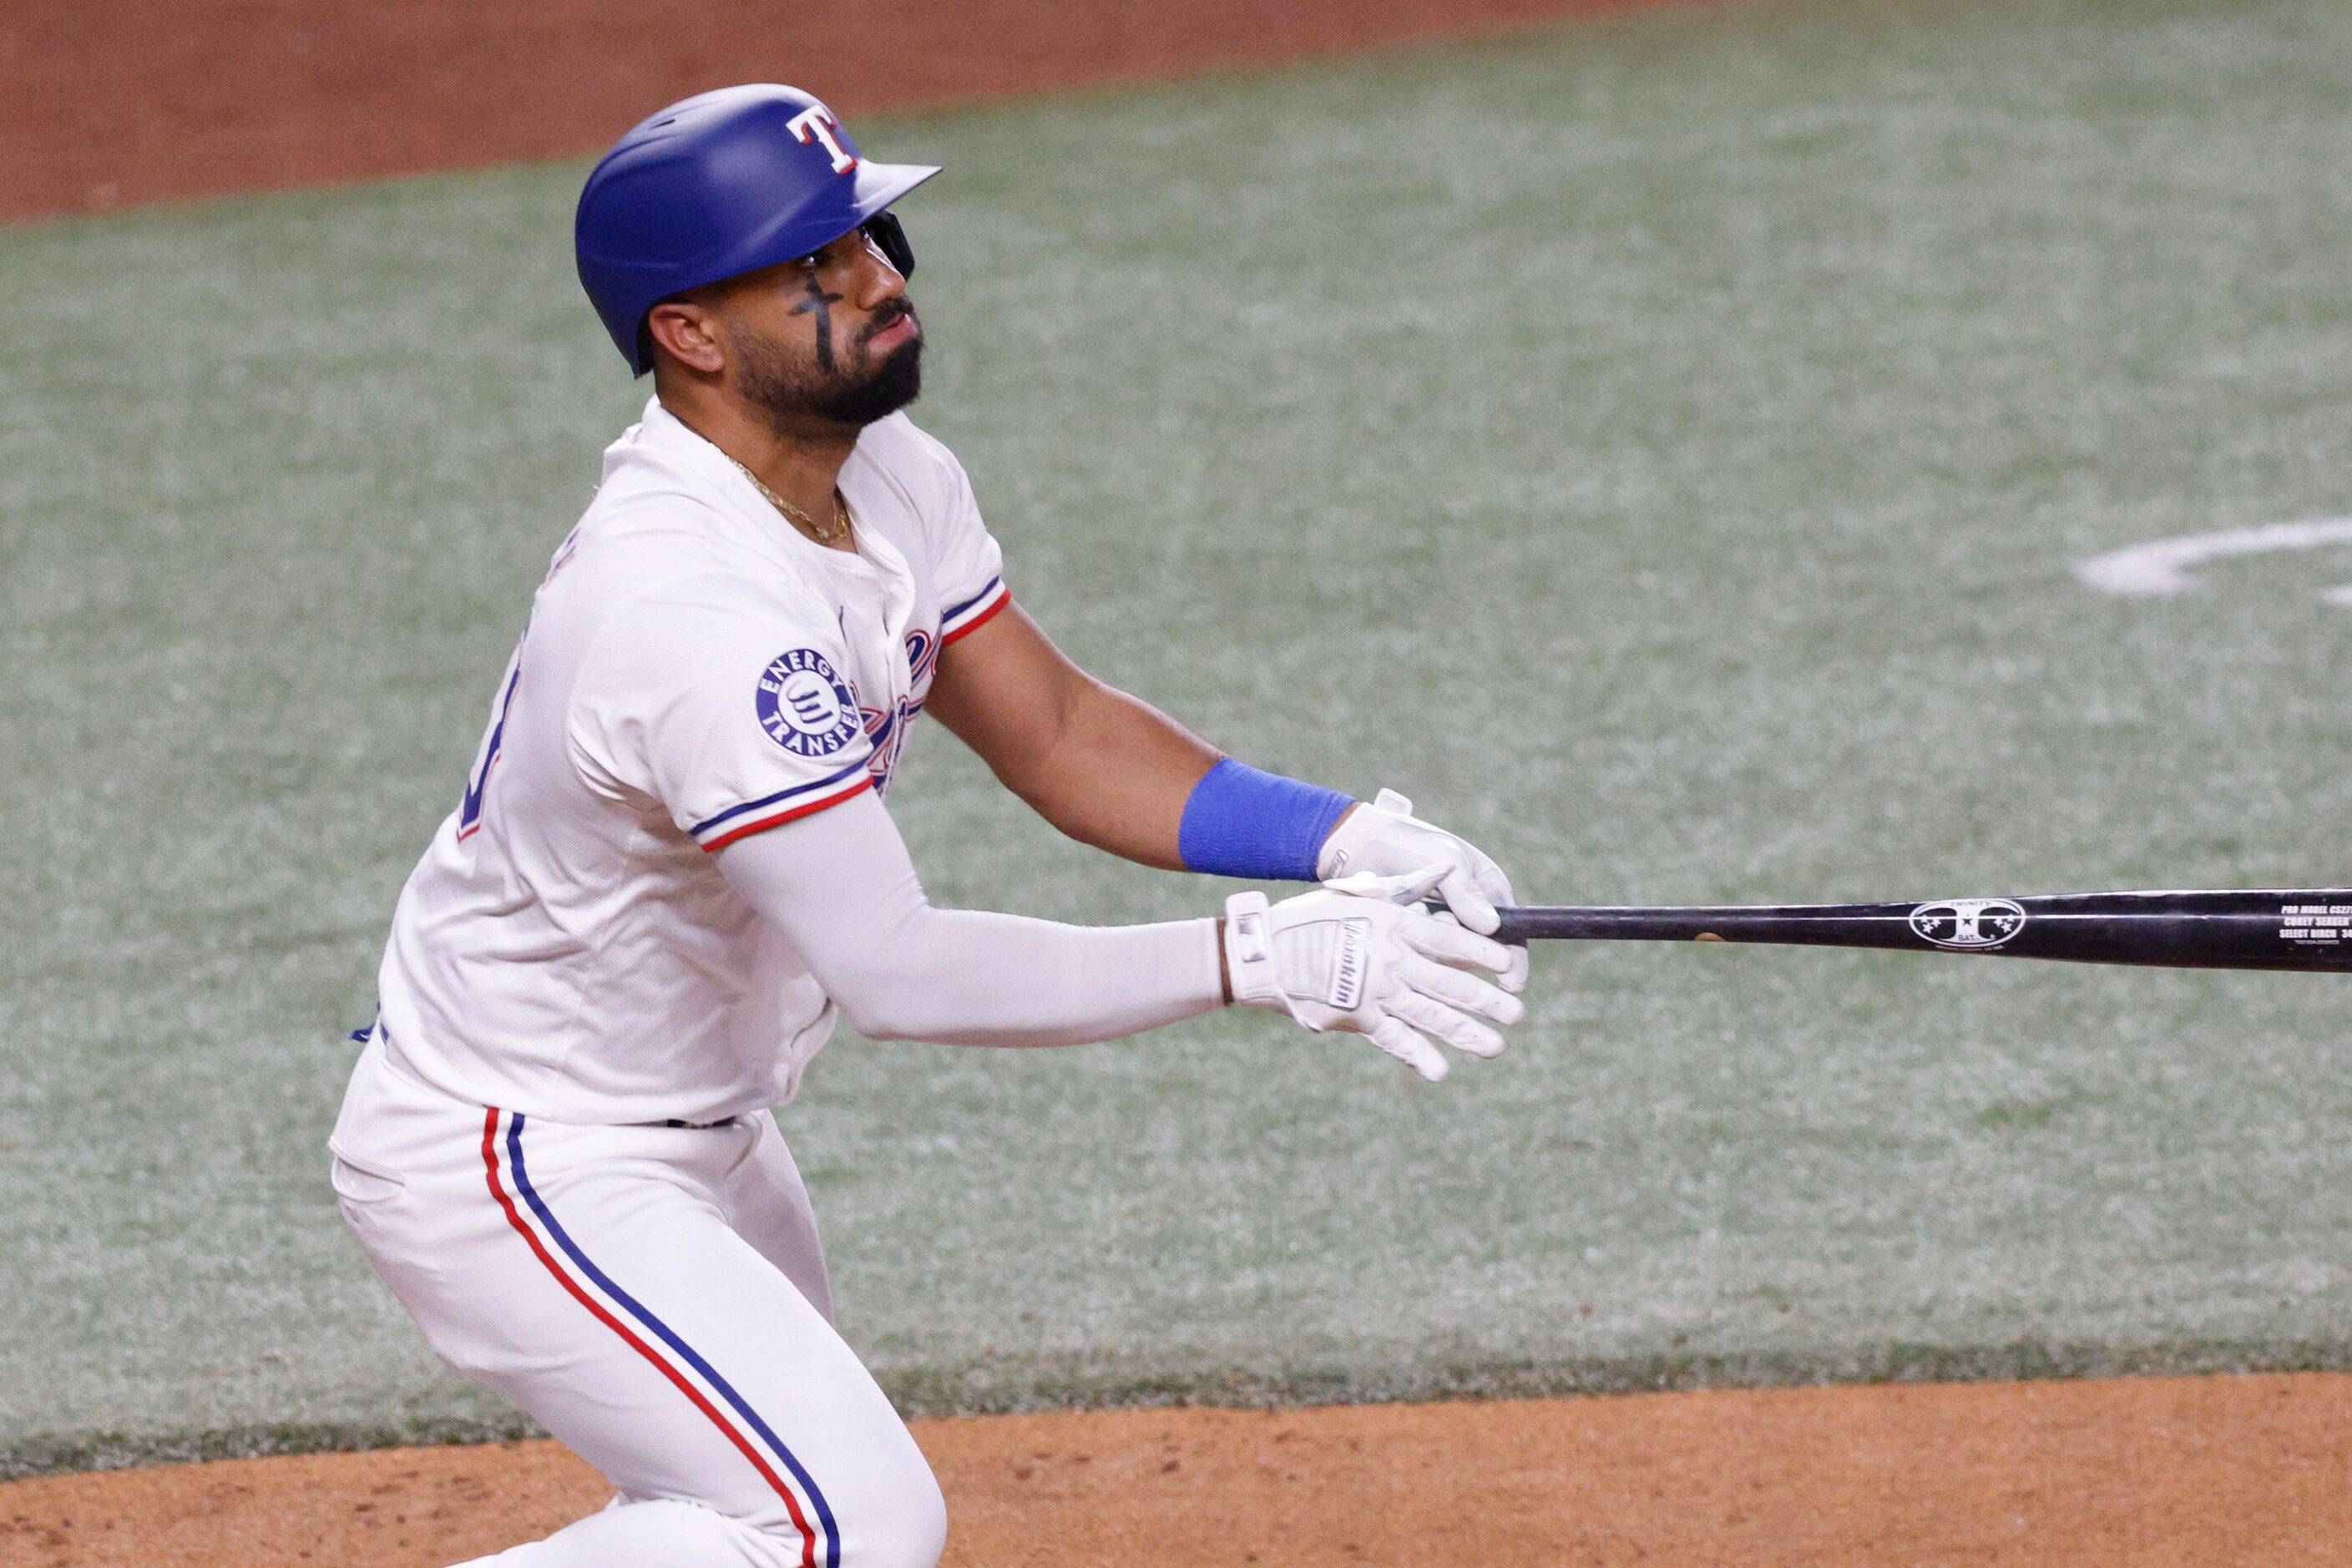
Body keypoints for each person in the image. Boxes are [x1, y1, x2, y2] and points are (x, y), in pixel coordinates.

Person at [327, 83, 1532, 1568]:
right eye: (812, 270)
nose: (879, 281)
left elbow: (1063, 735)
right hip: (521, 1154)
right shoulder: (687, 610)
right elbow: (899, 967)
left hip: (696, 1126)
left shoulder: (882, 475)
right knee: (837, 1523)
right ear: (690, 336)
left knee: (746, 1515)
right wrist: (1252, 956)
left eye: (871, 236)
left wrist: (1339, 836)